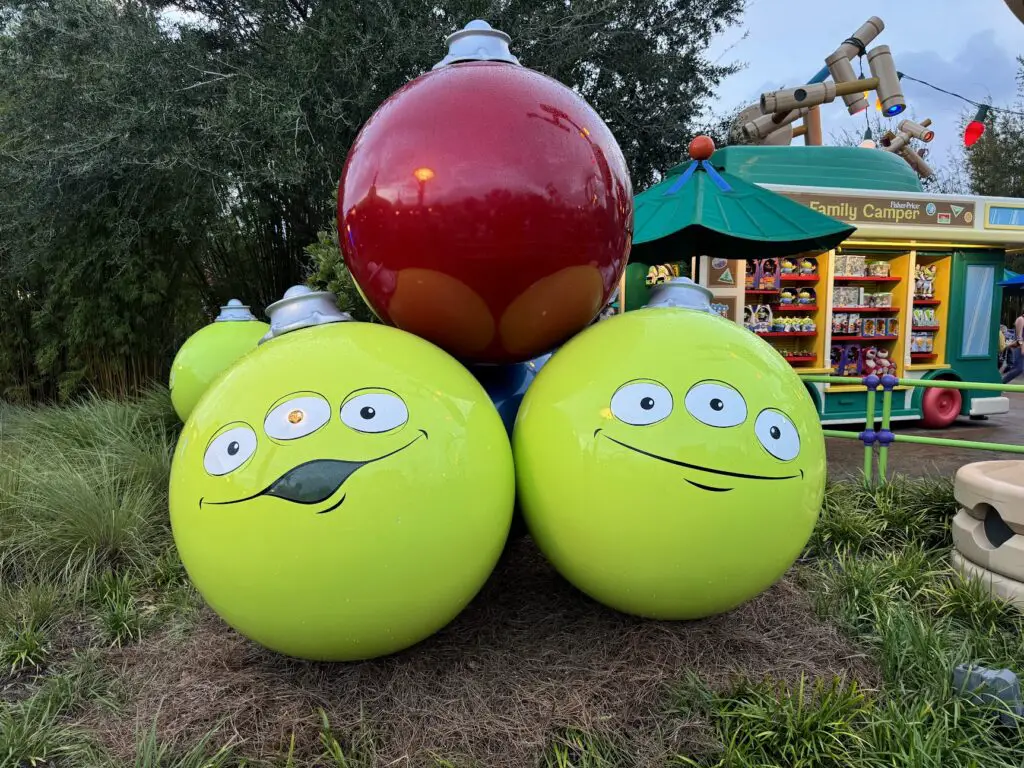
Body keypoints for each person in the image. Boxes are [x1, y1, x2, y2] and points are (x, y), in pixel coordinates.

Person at [1003, 312, 1024, 384]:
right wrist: (1022, 347)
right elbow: (1019, 337)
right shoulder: (1021, 319)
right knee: (1018, 368)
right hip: (1019, 347)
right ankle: (1001, 383)